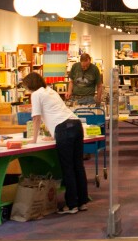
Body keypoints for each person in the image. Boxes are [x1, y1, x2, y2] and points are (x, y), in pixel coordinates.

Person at [22, 71, 88, 214]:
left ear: (30, 85)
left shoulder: (36, 94)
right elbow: (57, 112)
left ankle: (71, 205)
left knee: (68, 167)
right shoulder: (50, 91)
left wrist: (33, 139)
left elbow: (37, 118)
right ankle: (82, 202)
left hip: (63, 129)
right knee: (78, 166)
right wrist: (54, 135)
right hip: (76, 125)